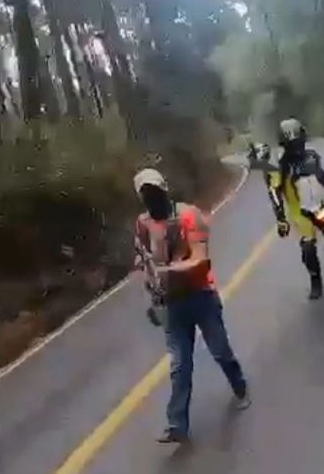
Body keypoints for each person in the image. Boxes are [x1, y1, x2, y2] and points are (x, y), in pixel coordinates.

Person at [132, 168, 250, 444]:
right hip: (171, 303)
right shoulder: (143, 223)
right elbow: (143, 260)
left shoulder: (188, 214)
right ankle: (177, 425)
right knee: (180, 365)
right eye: (145, 194)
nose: (151, 198)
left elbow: (200, 258)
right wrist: (153, 296)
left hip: (200, 296)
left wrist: (167, 271)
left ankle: (240, 387)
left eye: (154, 191)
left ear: (165, 188)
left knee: (220, 350)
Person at [266, 118, 324, 300]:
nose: (297, 147)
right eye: (293, 144)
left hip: (321, 208)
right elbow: (274, 191)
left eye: (299, 142)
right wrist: (281, 218)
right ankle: (315, 281)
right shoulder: (279, 165)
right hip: (301, 213)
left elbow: (322, 177)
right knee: (308, 248)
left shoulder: (312, 156)